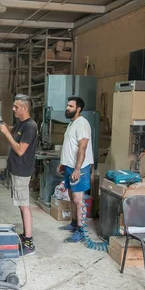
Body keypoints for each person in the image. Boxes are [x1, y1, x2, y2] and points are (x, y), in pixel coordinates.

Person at [0, 94, 38, 255]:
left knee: (24, 205)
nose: (13, 108)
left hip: (22, 170)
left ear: (25, 108)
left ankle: (29, 243)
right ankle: (25, 236)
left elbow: (21, 150)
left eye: (16, 106)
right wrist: (3, 126)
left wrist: (6, 134)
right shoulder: (21, 124)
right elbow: (13, 130)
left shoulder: (30, 126)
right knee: (21, 205)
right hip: (16, 169)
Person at [58, 96, 94, 243]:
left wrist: (77, 169)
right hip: (70, 166)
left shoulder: (82, 123)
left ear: (78, 109)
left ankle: (80, 230)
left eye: (71, 106)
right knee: (72, 196)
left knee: (78, 199)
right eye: (67, 106)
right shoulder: (72, 124)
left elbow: (82, 147)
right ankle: (74, 223)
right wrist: (63, 163)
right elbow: (69, 146)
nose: (67, 108)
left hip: (79, 168)